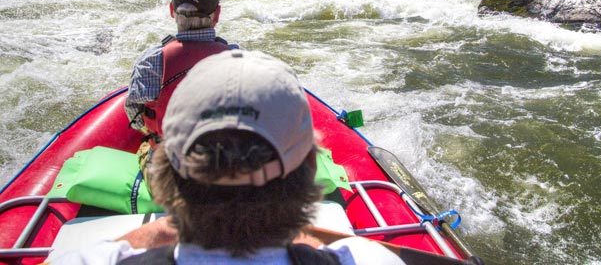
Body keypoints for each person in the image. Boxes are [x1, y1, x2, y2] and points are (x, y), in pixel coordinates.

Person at [46, 50, 403, 264]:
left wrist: (164, 230)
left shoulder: (89, 260)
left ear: (162, 171)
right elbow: (356, 249)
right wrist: (290, 233)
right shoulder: (375, 259)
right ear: (310, 168)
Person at [125, 0, 235, 184]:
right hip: (225, 171)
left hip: (170, 175)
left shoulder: (151, 60)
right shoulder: (237, 57)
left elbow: (135, 116)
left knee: (146, 145)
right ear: (217, 14)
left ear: (171, 10)